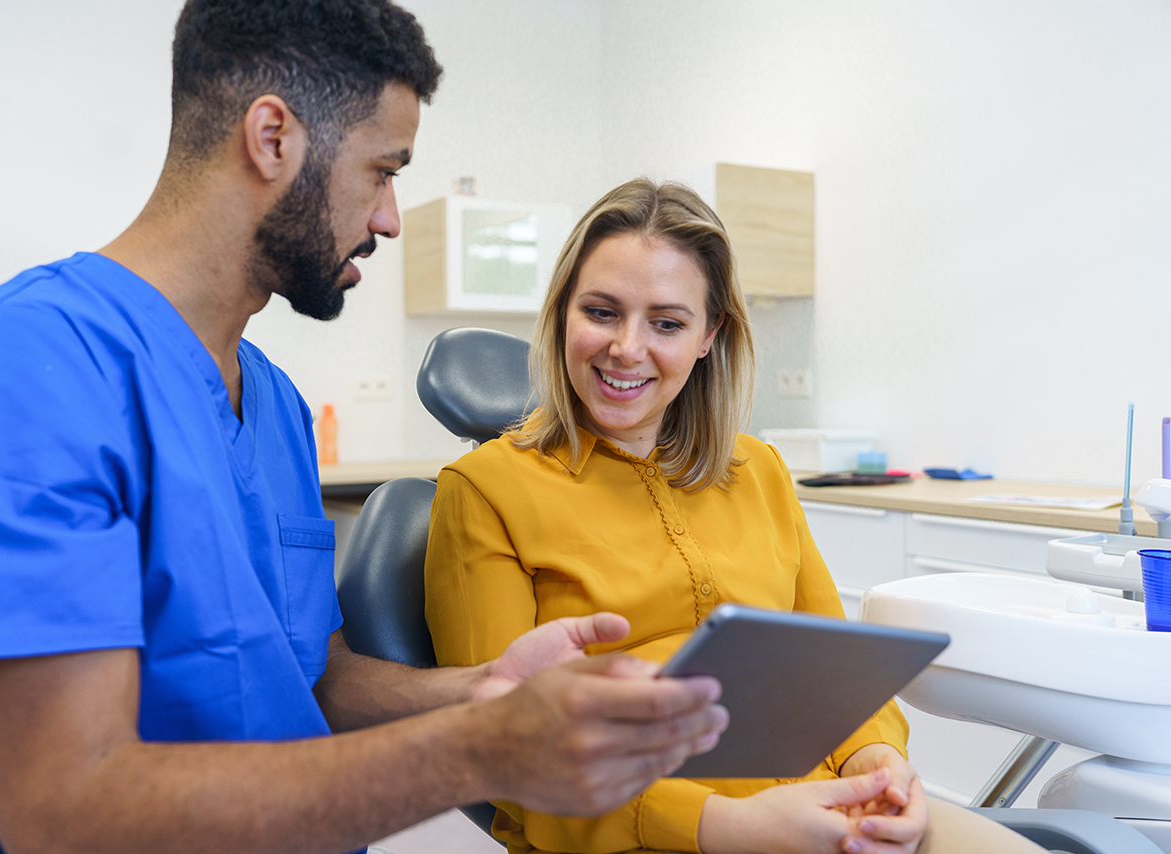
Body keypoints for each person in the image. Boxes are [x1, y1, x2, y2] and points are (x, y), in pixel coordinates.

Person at [0, 6, 735, 854]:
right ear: (272, 139)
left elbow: (315, 679)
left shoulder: (275, 405)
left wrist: (487, 689)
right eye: (381, 171)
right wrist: (474, 750)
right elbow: (60, 808)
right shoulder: (24, 370)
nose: (391, 217)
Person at [424, 178, 1049, 854]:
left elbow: (833, 672)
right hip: (631, 833)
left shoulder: (760, 471)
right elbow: (507, 753)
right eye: (601, 312)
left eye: (667, 323)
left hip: (825, 806)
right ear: (561, 313)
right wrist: (726, 826)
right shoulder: (483, 491)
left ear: (707, 335)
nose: (628, 349)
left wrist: (874, 758)